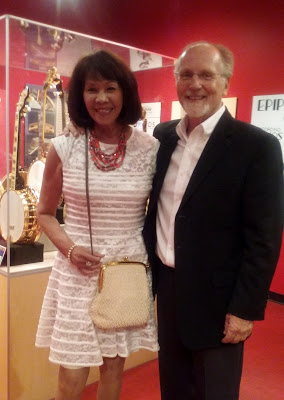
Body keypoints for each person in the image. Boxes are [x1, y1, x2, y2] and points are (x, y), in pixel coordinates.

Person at [142, 41, 283, 400]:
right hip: (168, 291)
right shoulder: (162, 136)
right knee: (173, 389)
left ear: (226, 83)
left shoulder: (256, 147)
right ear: (175, 80)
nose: (195, 84)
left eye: (206, 75)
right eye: (186, 74)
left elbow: (264, 237)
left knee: (214, 393)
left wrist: (245, 310)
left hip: (220, 302)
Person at [35, 49, 159, 400]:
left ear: (126, 93)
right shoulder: (65, 146)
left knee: (112, 370)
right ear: (80, 96)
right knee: (71, 374)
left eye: (110, 88)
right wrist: (69, 249)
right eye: (92, 89)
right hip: (77, 273)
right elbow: (45, 211)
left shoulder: (149, 148)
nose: (101, 98)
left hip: (124, 271)